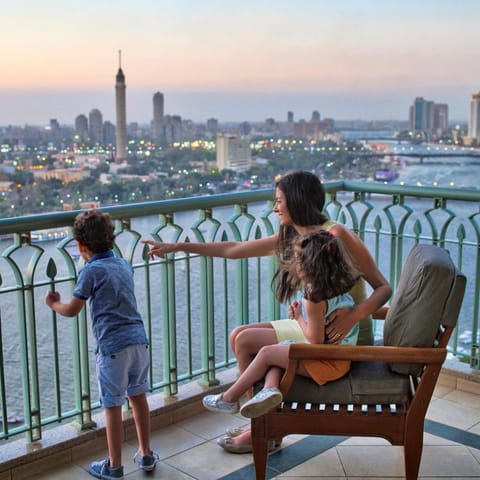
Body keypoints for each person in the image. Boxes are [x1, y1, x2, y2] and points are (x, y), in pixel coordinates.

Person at [143, 170, 391, 453]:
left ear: (297, 201)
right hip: (316, 328)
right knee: (238, 334)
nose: (275, 208)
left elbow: (383, 287)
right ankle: (262, 423)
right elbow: (234, 248)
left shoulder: (336, 234)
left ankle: (261, 429)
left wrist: (355, 315)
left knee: (246, 341)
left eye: (279, 201)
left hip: (346, 336)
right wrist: (178, 246)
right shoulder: (292, 237)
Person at [45, 210, 159, 480]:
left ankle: (114, 466)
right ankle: (145, 454)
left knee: (112, 406)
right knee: (139, 396)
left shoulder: (90, 271)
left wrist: (53, 304)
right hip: (139, 341)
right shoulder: (123, 264)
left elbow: (73, 309)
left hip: (112, 347)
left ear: (81, 246)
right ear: (112, 239)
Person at [202, 230, 362, 419]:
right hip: (339, 359)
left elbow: (315, 339)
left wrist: (299, 318)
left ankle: (229, 398)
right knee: (279, 350)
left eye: (298, 260)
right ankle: (270, 389)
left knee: (266, 353)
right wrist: (303, 311)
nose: (295, 264)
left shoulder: (314, 297)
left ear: (310, 265)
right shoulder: (336, 288)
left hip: (327, 362)